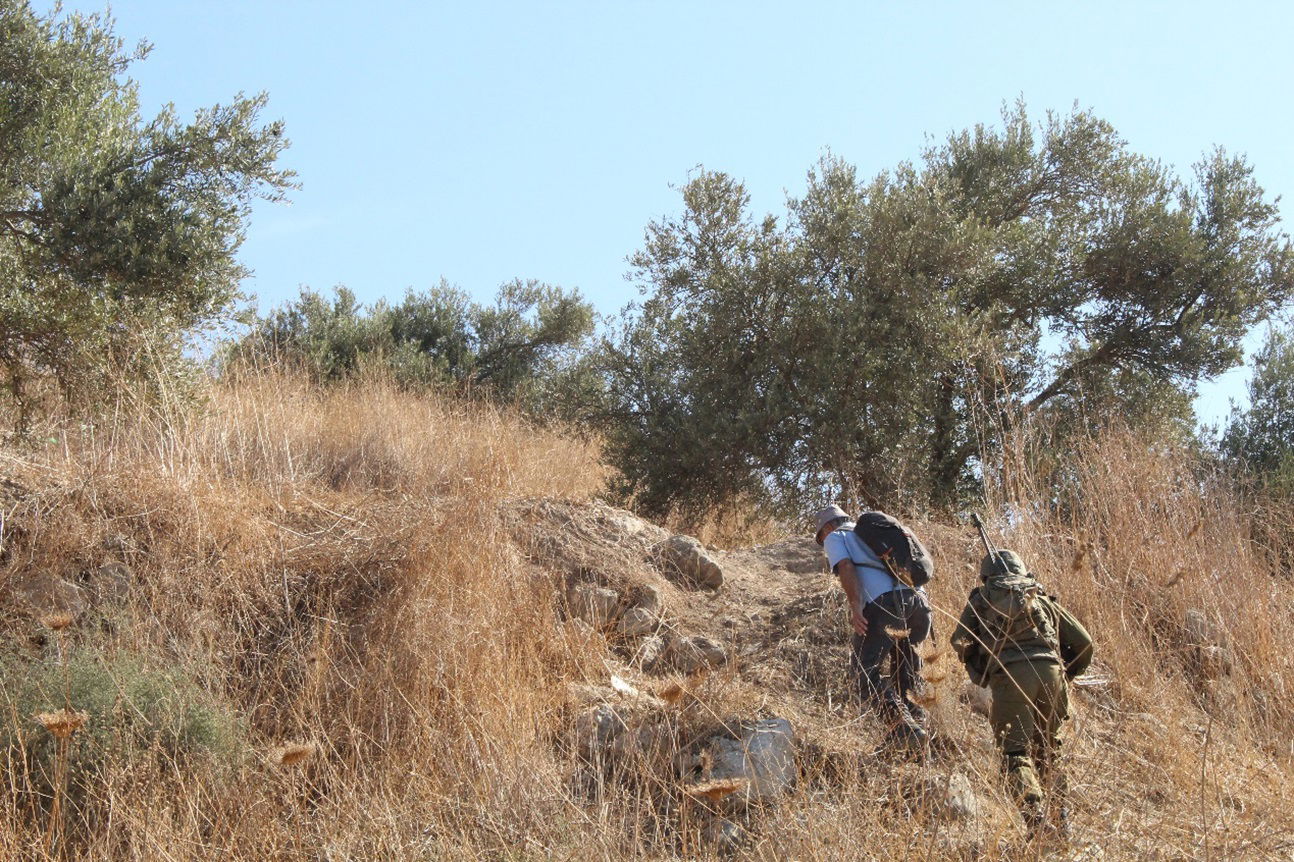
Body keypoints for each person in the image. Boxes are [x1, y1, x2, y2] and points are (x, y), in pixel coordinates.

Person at [950, 549, 1093, 834]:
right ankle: (1061, 818)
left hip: (1010, 677)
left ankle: (1035, 820)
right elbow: (1084, 643)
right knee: (1049, 748)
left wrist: (983, 670)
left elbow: (960, 641)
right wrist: (1067, 673)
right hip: (1051, 674)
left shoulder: (981, 600)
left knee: (1014, 752)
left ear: (986, 577)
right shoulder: (1039, 597)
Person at [813, 505, 931, 747]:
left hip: (886, 603)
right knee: (907, 671)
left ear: (828, 527)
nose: (823, 542)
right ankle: (919, 734)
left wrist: (856, 607)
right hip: (920, 604)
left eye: (821, 537)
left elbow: (846, 567)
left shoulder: (837, 536)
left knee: (863, 672)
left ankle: (904, 728)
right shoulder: (875, 534)